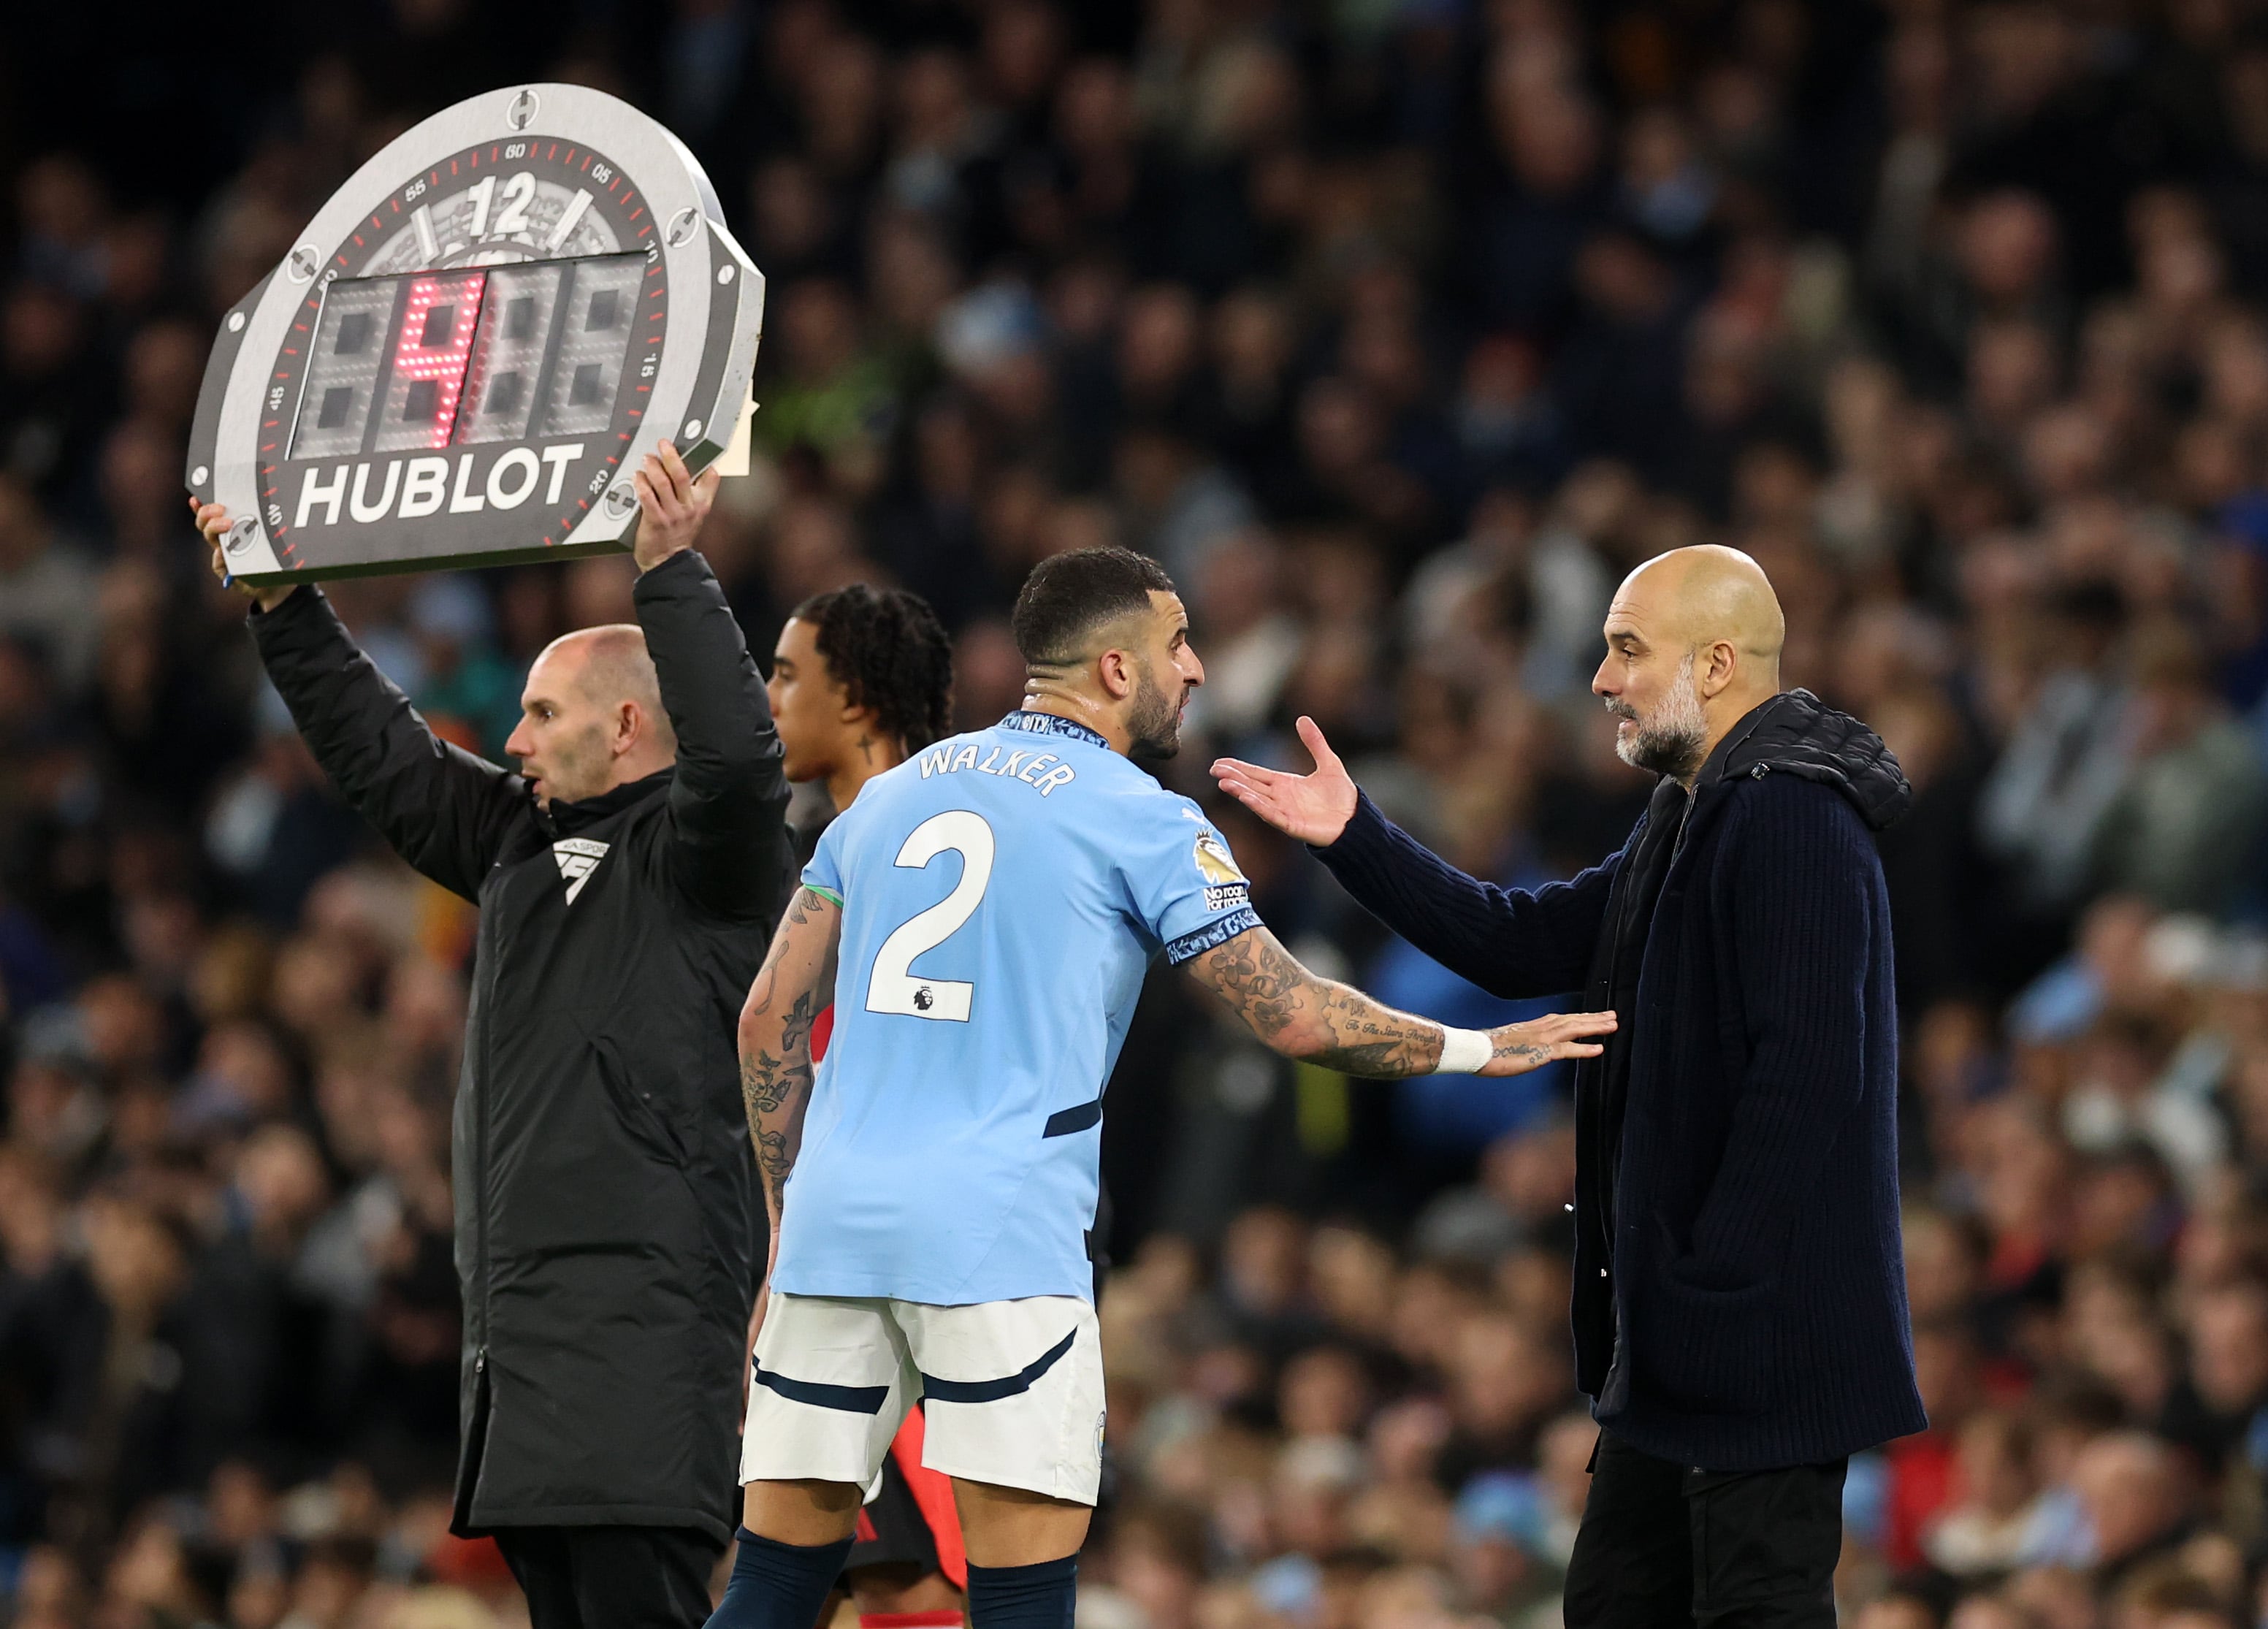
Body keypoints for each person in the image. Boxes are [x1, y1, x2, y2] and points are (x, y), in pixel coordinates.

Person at [711, 546, 1616, 1629]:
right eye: (1177, 642)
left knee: (770, 1587)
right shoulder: (1142, 817)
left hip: (836, 1226)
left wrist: (784, 1216)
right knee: (1020, 1602)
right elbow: (1293, 1013)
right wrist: (1480, 1047)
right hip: (1001, 1240)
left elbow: (768, 1018)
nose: (1194, 668)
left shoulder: (891, 795)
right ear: (1111, 666)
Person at [1212, 544, 1926, 1629]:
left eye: (1628, 648)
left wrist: (1710, 1276)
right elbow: (1522, 941)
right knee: (1613, 1604)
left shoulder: (1793, 817)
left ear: (1721, 662)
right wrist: (1357, 838)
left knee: (1758, 1609)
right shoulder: (1694, 808)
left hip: (1756, 1330)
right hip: (1685, 1332)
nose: (1601, 678)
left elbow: (1809, 1077)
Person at [190, 443, 792, 1629]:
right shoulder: (517, 846)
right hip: (522, 1355)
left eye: (540, 712)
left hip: (643, 1344)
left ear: (626, 726)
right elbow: (386, 757)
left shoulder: (710, 865)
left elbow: (737, 760)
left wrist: (669, 572)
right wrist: (282, 601)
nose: (512, 739)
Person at [763, 584, 969, 1629]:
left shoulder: (924, 843)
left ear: (855, 700)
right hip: (848, 1256)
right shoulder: (814, 845)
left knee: (910, 1575)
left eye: (788, 673)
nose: (769, 696)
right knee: (844, 1573)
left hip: (910, 1266)